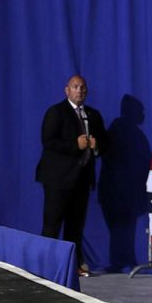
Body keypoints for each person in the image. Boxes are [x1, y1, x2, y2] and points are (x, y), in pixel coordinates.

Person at [36, 75, 108, 277]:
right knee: (52, 225)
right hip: (57, 180)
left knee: (75, 227)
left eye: (83, 88)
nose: (79, 91)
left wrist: (97, 145)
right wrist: (74, 145)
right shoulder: (56, 112)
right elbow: (48, 141)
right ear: (67, 90)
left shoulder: (93, 115)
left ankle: (72, 266)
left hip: (82, 180)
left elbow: (106, 142)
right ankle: (45, 267)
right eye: (75, 87)